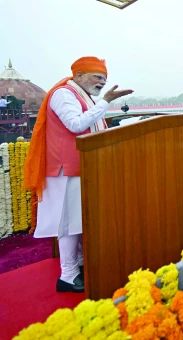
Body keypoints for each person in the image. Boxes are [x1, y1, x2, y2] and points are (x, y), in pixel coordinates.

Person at [23, 57, 133, 293]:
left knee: (78, 221)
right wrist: (105, 102)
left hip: (82, 166)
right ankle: (68, 275)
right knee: (68, 223)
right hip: (66, 169)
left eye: (104, 79)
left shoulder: (83, 96)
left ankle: (79, 264)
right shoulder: (63, 94)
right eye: (98, 77)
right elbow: (75, 125)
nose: (102, 82)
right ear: (79, 75)